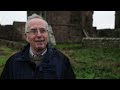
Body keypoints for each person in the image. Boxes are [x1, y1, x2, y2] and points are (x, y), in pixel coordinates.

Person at [0, 14, 75, 79]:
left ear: (47, 35)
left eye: (43, 30)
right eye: (33, 31)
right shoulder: (13, 63)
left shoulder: (62, 61)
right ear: (26, 37)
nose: (39, 35)